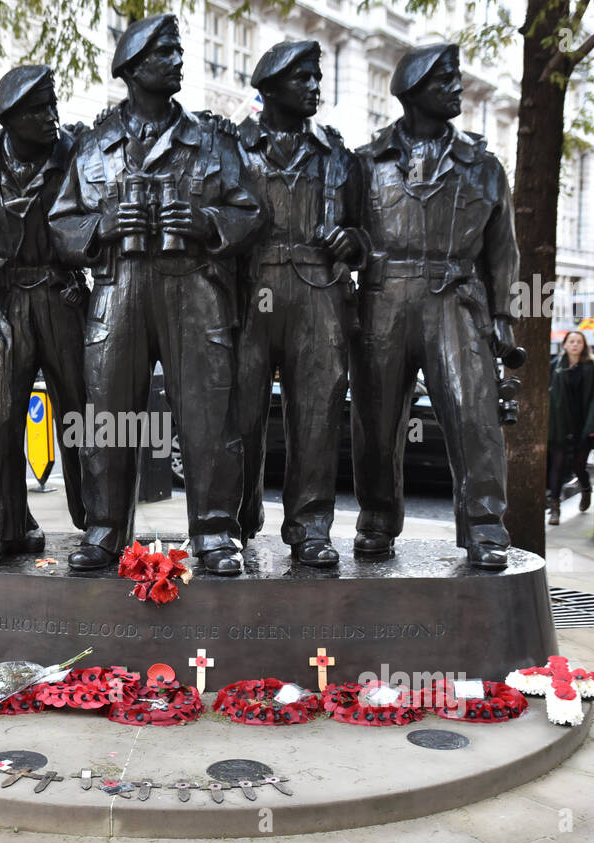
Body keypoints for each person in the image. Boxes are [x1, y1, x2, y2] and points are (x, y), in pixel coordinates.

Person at [49, 13, 264, 575]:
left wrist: (204, 221)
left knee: (208, 414)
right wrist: (101, 227)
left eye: (177, 50)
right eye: (165, 52)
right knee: (107, 416)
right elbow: (61, 226)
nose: (178, 60)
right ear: (133, 68)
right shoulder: (93, 147)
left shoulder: (212, 140)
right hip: (118, 289)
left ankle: (216, 531)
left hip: (193, 288)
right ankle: (104, 530)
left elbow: (248, 213)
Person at [348, 43, 521, 570]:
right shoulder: (364, 162)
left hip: (456, 301)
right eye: (445, 79)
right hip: (383, 297)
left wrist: (503, 320)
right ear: (413, 89)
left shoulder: (484, 166)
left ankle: (485, 525)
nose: (457, 87)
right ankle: (376, 519)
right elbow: (345, 235)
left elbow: (502, 252)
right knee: (375, 420)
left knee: (474, 418)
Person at [0, 65, 89, 563]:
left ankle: (98, 526)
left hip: (61, 299)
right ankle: (0, 528)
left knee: (83, 414)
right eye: (40, 109)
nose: (53, 116)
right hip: (0, 309)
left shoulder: (75, 156)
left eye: (54, 105)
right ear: (12, 119)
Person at [235, 40, 367, 567]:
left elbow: (366, 235)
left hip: (318, 295)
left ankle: (311, 527)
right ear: (269, 89)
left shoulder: (337, 154)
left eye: (318, 78)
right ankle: (235, 521)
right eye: (305, 79)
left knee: (316, 413)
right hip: (251, 292)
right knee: (238, 412)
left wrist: (353, 243)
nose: (316, 88)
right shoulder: (232, 148)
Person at [546, 330, 594, 525]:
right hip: (560, 424)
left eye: (579, 342)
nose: (575, 345)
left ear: (584, 345)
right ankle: (554, 508)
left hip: (583, 423)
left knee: (579, 465)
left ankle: (586, 489)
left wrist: (592, 426)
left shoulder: (592, 367)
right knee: (557, 465)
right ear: (564, 345)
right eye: (571, 341)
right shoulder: (555, 366)